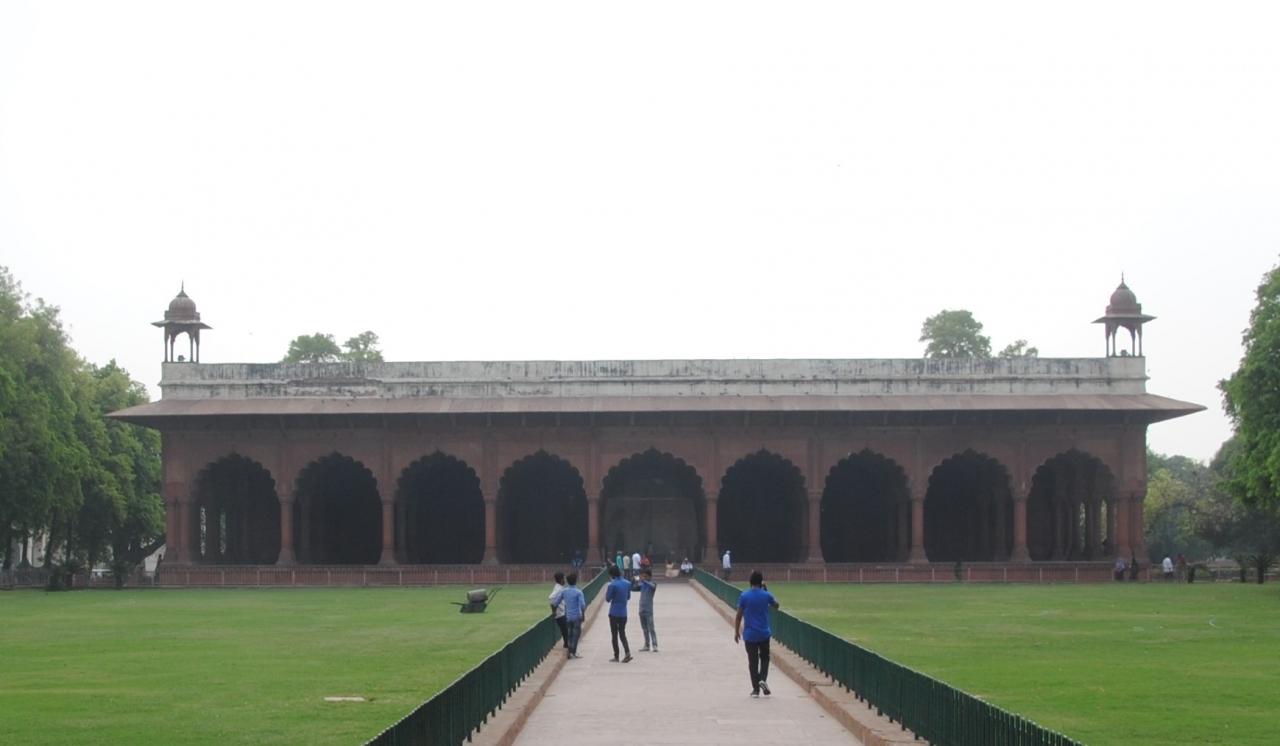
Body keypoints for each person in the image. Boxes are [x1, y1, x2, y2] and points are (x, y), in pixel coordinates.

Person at [734, 570, 779, 697]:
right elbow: (776, 605)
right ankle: (762, 679)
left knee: (753, 662)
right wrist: (766, 590)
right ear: (761, 582)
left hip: (750, 634)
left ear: (750, 582)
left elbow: (738, 616)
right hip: (764, 633)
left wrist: (736, 631)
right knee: (765, 658)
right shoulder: (766, 595)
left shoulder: (744, 596)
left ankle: (756, 690)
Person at [551, 572, 588, 659]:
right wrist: (583, 615)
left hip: (568, 616)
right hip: (576, 616)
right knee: (576, 634)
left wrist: (554, 612)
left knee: (570, 634)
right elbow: (582, 605)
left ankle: (570, 650)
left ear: (567, 581)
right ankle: (572, 651)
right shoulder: (578, 592)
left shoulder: (564, 591)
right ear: (576, 581)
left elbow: (555, 603)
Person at [604, 565, 633, 662]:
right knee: (622, 633)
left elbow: (608, 599)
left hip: (614, 612)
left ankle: (616, 656)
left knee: (614, 634)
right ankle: (627, 652)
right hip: (623, 613)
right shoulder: (627, 583)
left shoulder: (612, 585)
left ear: (612, 575)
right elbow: (628, 597)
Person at [636, 568, 659, 652]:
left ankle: (655, 645)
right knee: (644, 629)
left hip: (649, 610)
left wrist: (644, 580)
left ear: (649, 576)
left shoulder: (652, 584)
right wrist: (634, 580)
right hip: (641, 609)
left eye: (645, 576)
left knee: (651, 628)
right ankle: (647, 645)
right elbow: (634, 587)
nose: (644, 577)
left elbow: (652, 586)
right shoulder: (642, 585)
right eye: (643, 576)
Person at [549, 571, 569, 649]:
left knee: (565, 630)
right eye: (564, 578)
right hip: (560, 613)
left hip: (562, 612)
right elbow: (551, 598)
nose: (565, 580)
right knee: (565, 630)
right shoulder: (559, 589)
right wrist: (554, 610)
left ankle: (566, 644)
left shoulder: (559, 587)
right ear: (561, 580)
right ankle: (566, 645)